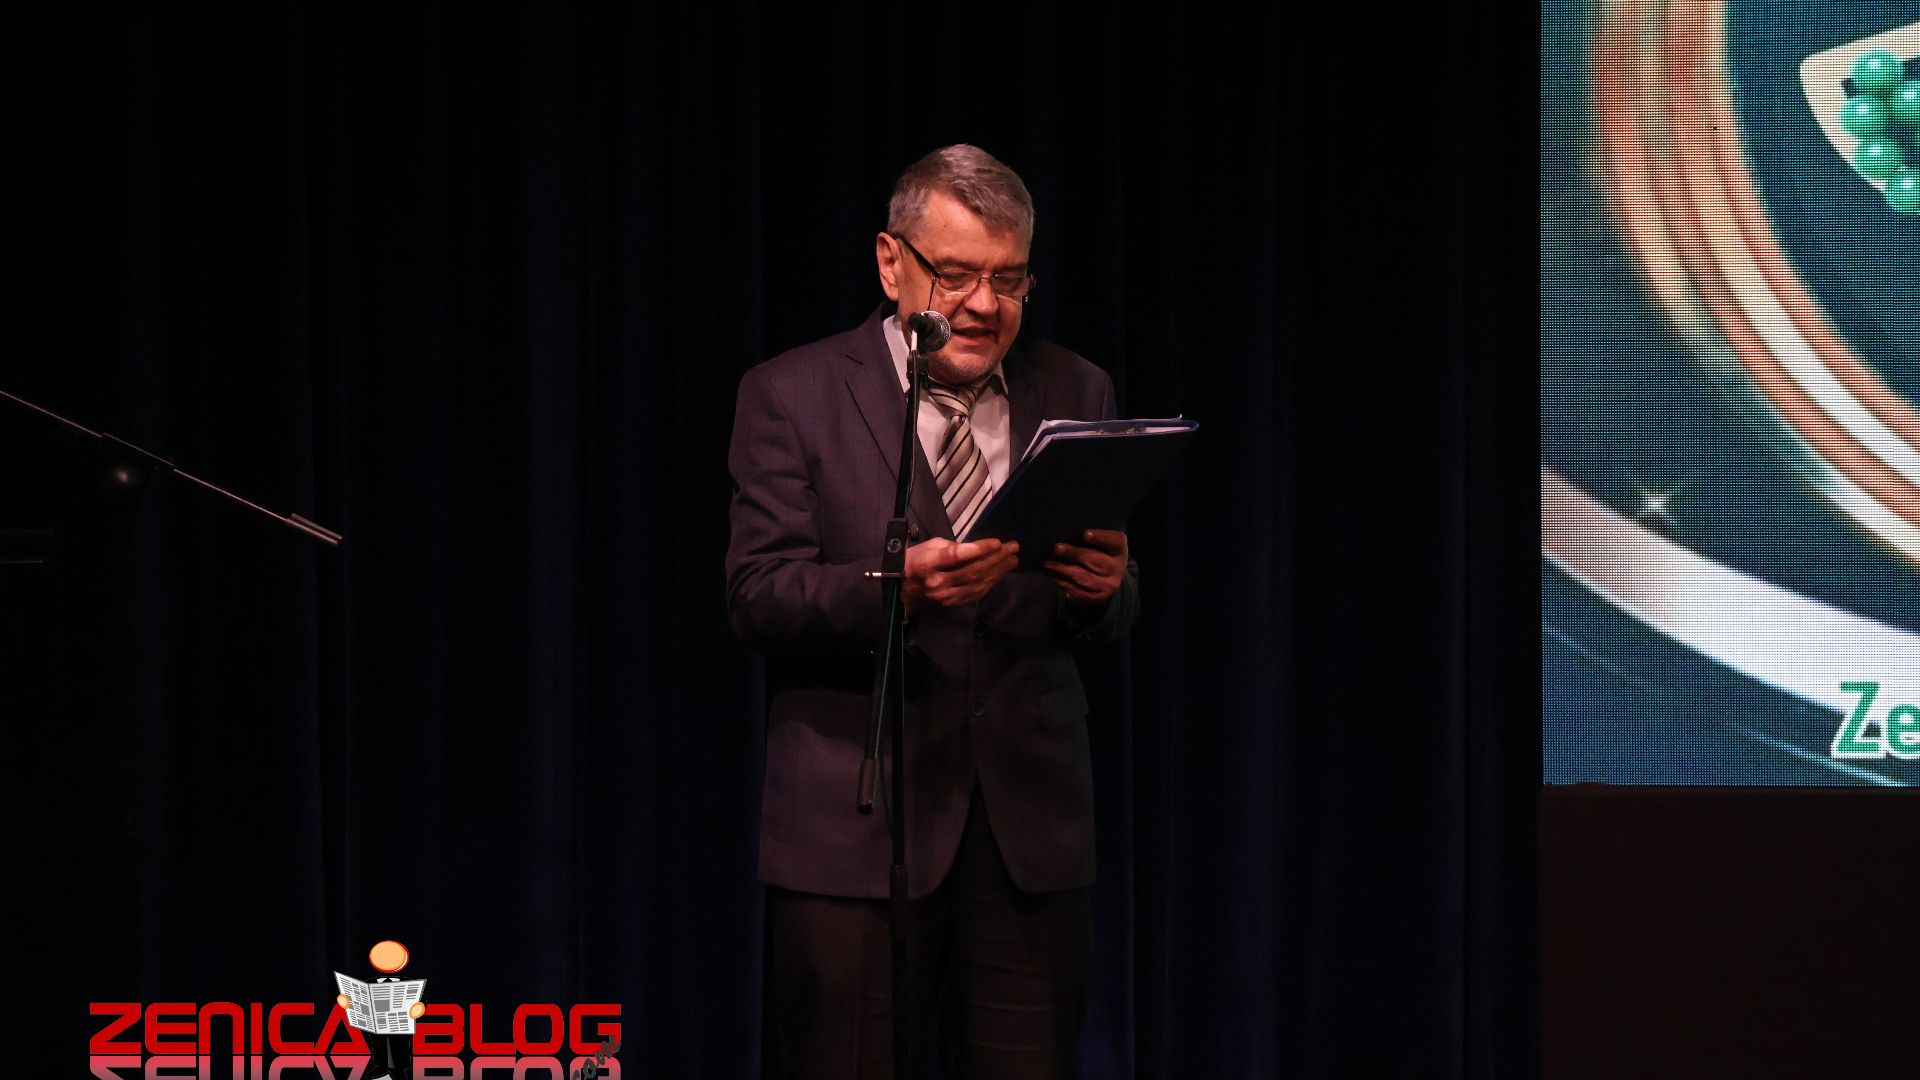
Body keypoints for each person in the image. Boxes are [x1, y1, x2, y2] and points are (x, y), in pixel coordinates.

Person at [725, 144, 1138, 1078]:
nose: (985, 305)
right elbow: (757, 594)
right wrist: (895, 590)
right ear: (891, 261)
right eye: (955, 275)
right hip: (855, 830)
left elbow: (1107, 603)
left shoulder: (1077, 389)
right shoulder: (790, 395)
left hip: (1028, 834)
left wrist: (1104, 593)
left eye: (1009, 278)